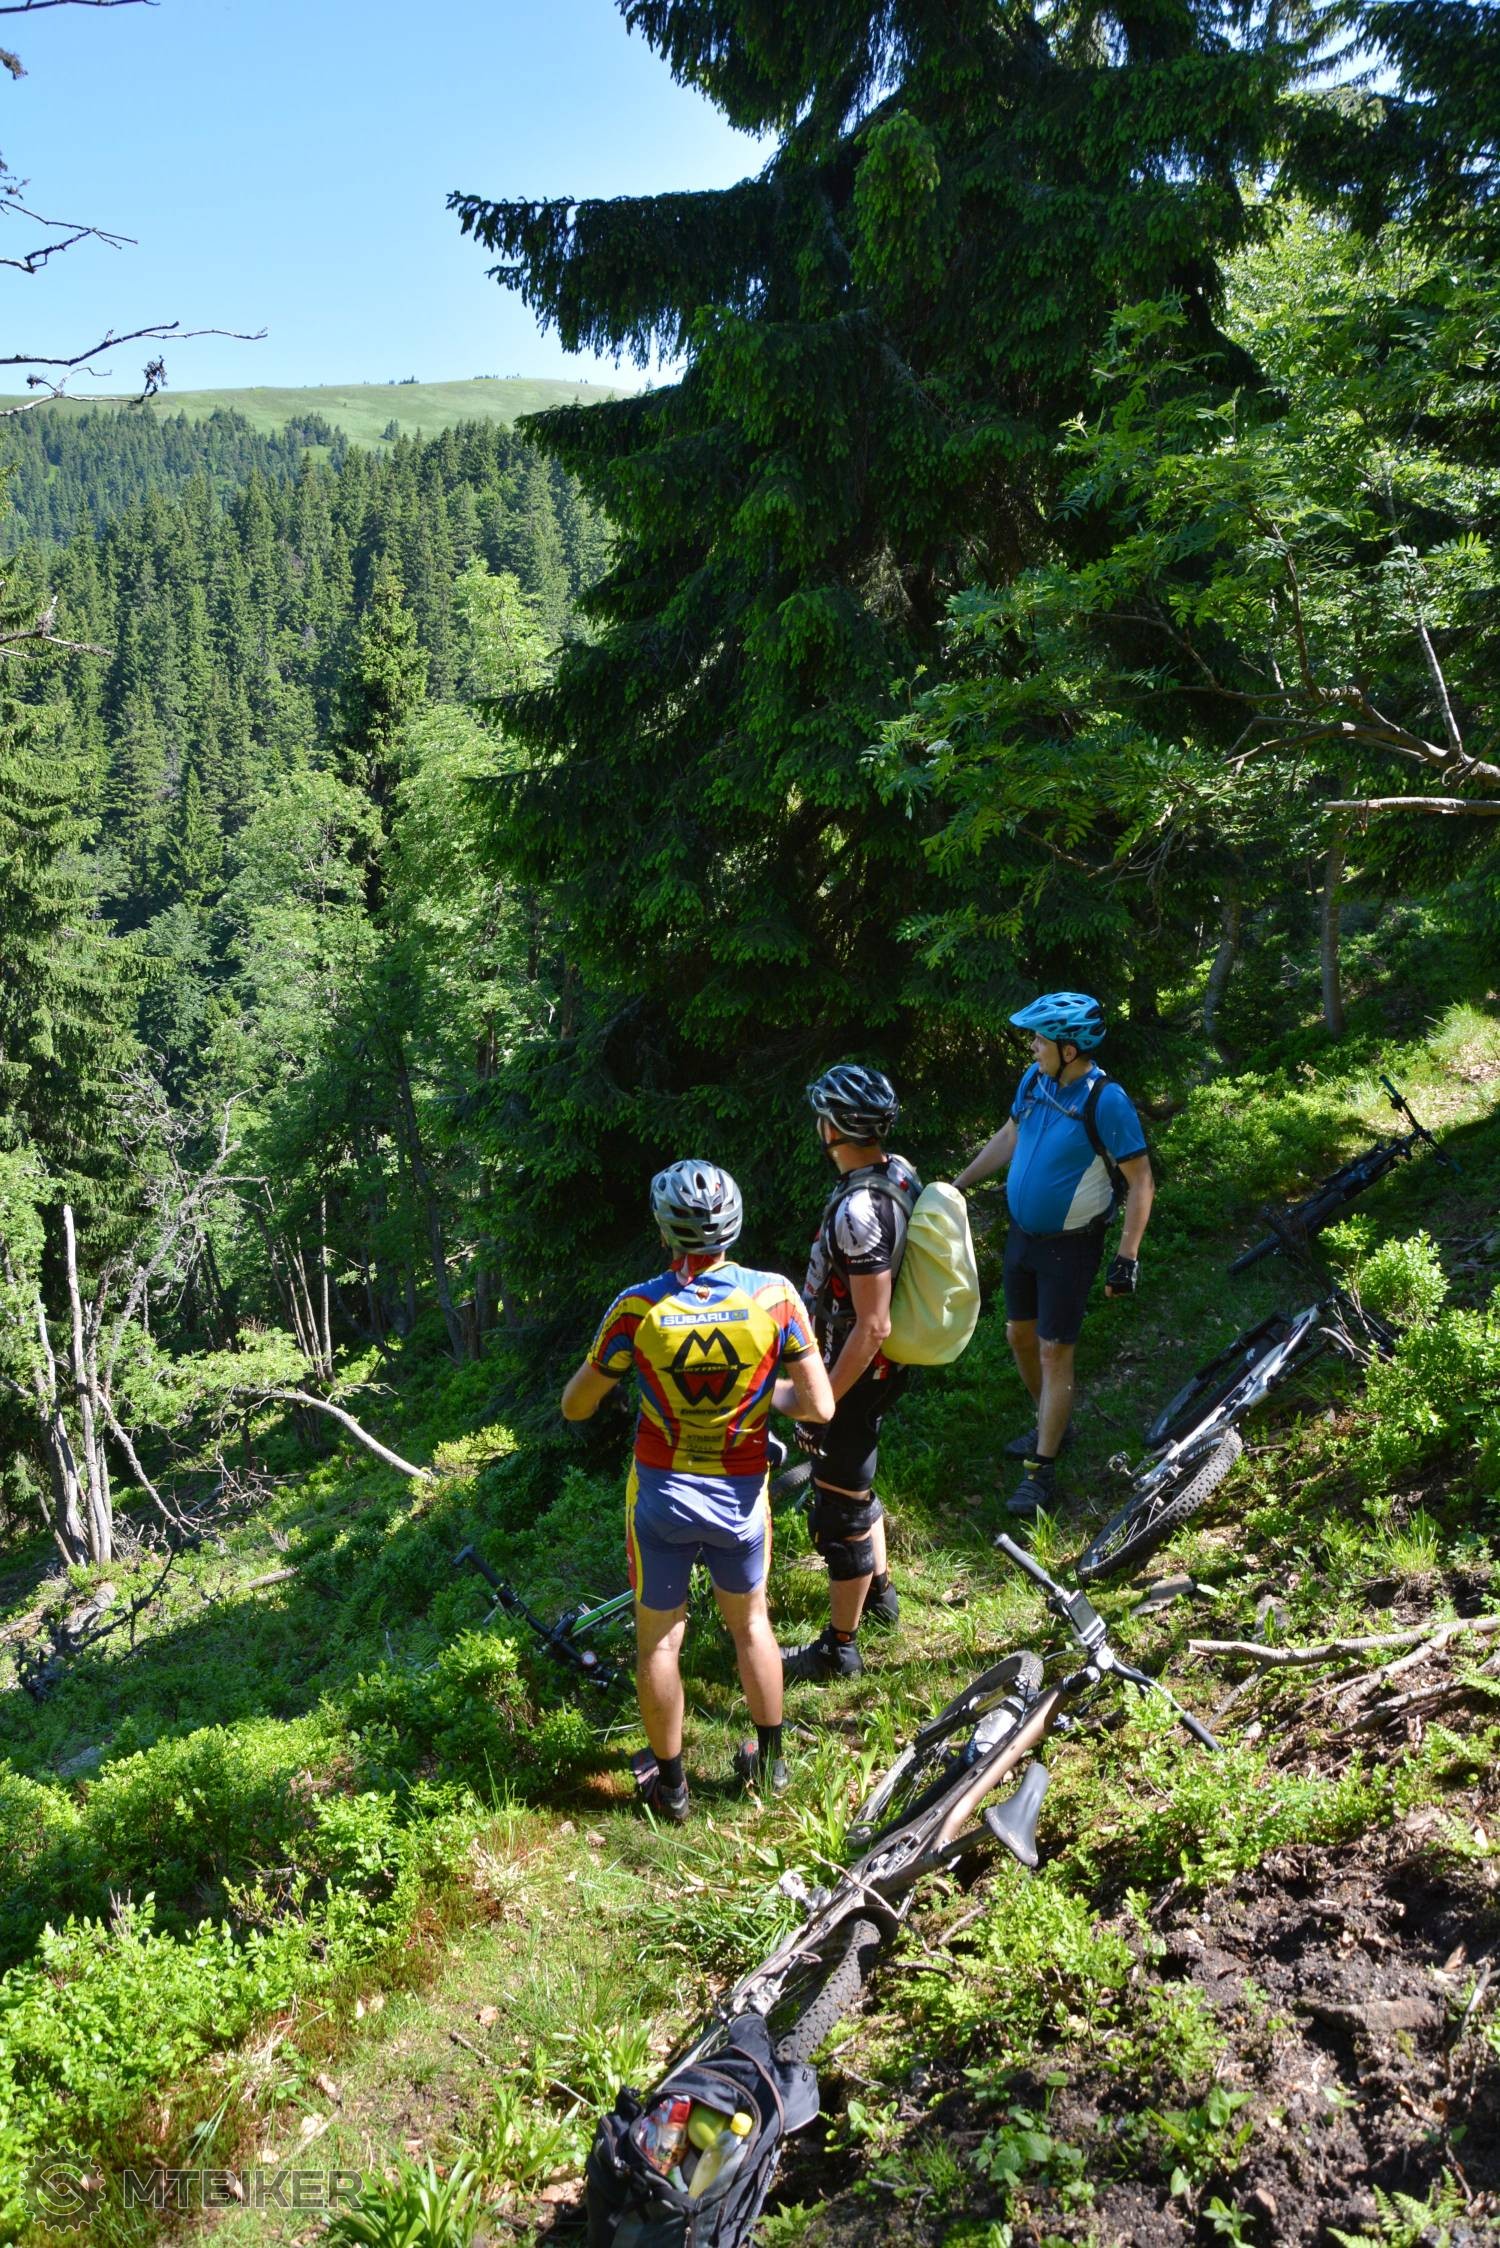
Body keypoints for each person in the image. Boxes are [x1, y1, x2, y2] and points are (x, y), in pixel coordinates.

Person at [561, 1158, 834, 1820]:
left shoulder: (637, 1308)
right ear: (733, 1226)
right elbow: (819, 1405)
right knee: (752, 1626)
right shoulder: (775, 1298)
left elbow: (576, 1406)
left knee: (658, 1642)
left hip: (661, 1496)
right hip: (740, 1494)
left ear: (665, 1232)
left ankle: (673, 1789)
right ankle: (770, 1768)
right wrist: (758, 1393)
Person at [954, 994, 1153, 1520]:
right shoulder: (1034, 1080)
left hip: (1071, 1246)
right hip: (1024, 1237)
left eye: (1040, 1040)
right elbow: (1011, 1134)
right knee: (1018, 1336)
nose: (1033, 1047)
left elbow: (1140, 1181)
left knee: (1052, 1351)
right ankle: (1052, 1422)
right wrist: (960, 1184)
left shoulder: (1106, 1100)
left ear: (1069, 1049)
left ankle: (1041, 1470)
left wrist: (1127, 1255)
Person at [780, 1065, 921, 1686]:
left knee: (837, 1516)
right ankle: (881, 1597)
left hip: (855, 1372)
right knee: (854, 1486)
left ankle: (840, 1649)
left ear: (834, 1128)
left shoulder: (860, 1210)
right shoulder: (899, 1172)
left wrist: (822, 1402)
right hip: (871, 1372)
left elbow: (873, 1324)